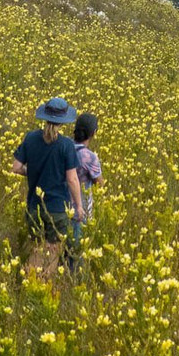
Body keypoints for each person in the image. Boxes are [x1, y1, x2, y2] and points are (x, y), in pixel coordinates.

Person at [12, 97, 85, 279]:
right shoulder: (66, 145)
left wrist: (34, 171)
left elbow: (16, 167)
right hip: (57, 210)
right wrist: (79, 205)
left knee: (36, 249)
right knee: (52, 252)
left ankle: (29, 285)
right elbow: (72, 179)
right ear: (63, 121)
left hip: (34, 206)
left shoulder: (31, 138)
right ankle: (43, 287)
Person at [71, 112, 102, 269]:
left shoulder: (64, 148)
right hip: (80, 211)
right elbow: (99, 183)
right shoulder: (89, 157)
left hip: (59, 208)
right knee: (77, 257)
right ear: (93, 133)